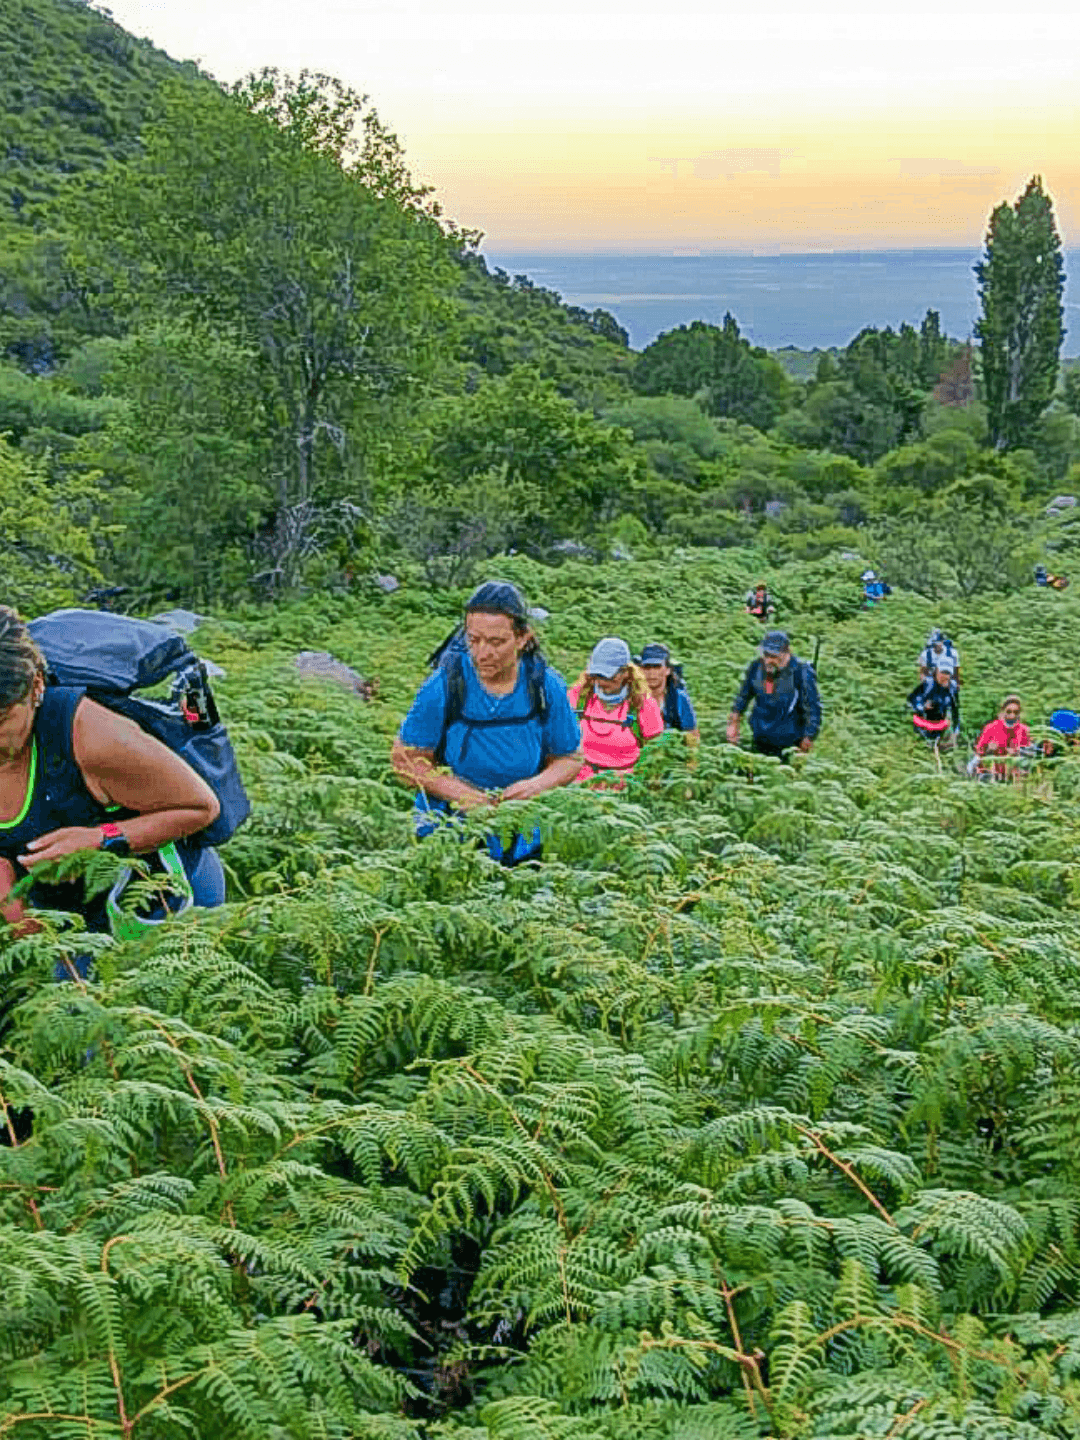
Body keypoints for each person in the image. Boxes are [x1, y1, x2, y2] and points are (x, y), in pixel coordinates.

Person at [0, 605, 225, 953]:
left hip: (162, 901)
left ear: (36, 687)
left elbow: (201, 807)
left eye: (1, 719)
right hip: (68, 920)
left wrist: (98, 839)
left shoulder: (91, 735)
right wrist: (24, 929)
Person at [390, 581, 581, 865]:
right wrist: (464, 796)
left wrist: (536, 786)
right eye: (474, 640)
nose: (482, 653)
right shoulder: (445, 684)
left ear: (522, 638)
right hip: (447, 826)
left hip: (522, 826)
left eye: (496, 642)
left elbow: (569, 758)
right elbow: (405, 759)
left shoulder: (544, 685)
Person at [567, 638, 664, 784]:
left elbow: (656, 753)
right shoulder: (579, 697)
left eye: (608, 676)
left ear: (625, 672)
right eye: (597, 675)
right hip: (579, 783)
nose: (601, 682)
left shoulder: (643, 704)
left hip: (625, 785)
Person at [726, 630, 821, 760]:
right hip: (760, 737)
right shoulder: (756, 667)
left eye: (774, 656)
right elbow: (743, 696)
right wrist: (733, 723)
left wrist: (808, 738)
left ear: (786, 653)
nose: (768, 660)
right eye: (766, 655)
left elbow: (812, 708)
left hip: (789, 743)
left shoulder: (801, 672)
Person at [638, 642, 700, 743]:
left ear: (667, 670)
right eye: (647, 667)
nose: (651, 673)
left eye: (657, 667)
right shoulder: (633, 698)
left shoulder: (679, 698)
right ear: (640, 670)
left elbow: (692, 736)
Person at [970, 695, 1033, 781]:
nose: (1012, 715)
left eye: (1015, 712)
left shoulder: (1024, 730)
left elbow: (1029, 755)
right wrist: (989, 749)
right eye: (1009, 712)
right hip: (992, 773)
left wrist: (1018, 752)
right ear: (1003, 711)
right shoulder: (991, 728)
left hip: (1014, 775)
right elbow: (979, 753)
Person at [907, 660, 960, 747]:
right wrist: (923, 707)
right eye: (942, 672)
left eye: (947, 673)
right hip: (923, 724)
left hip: (940, 725)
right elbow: (913, 701)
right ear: (937, 671)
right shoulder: (928, 683)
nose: (944, 676)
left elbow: (956, 711)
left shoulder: (952, 688)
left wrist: (956, 731)